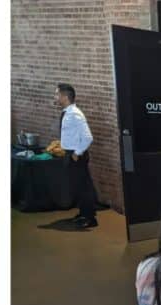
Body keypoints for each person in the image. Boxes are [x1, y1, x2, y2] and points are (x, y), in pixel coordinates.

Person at [56, 83, 98, 229]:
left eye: (58, 95)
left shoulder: (75, 114)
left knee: (83, 187)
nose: (56, 97)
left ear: (65, 97)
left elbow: (88, 137)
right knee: (78, 186)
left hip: (76, 156)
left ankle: (90, 218)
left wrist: (76, 153)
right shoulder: (67, 113)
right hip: (70, 154)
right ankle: (83, 213)